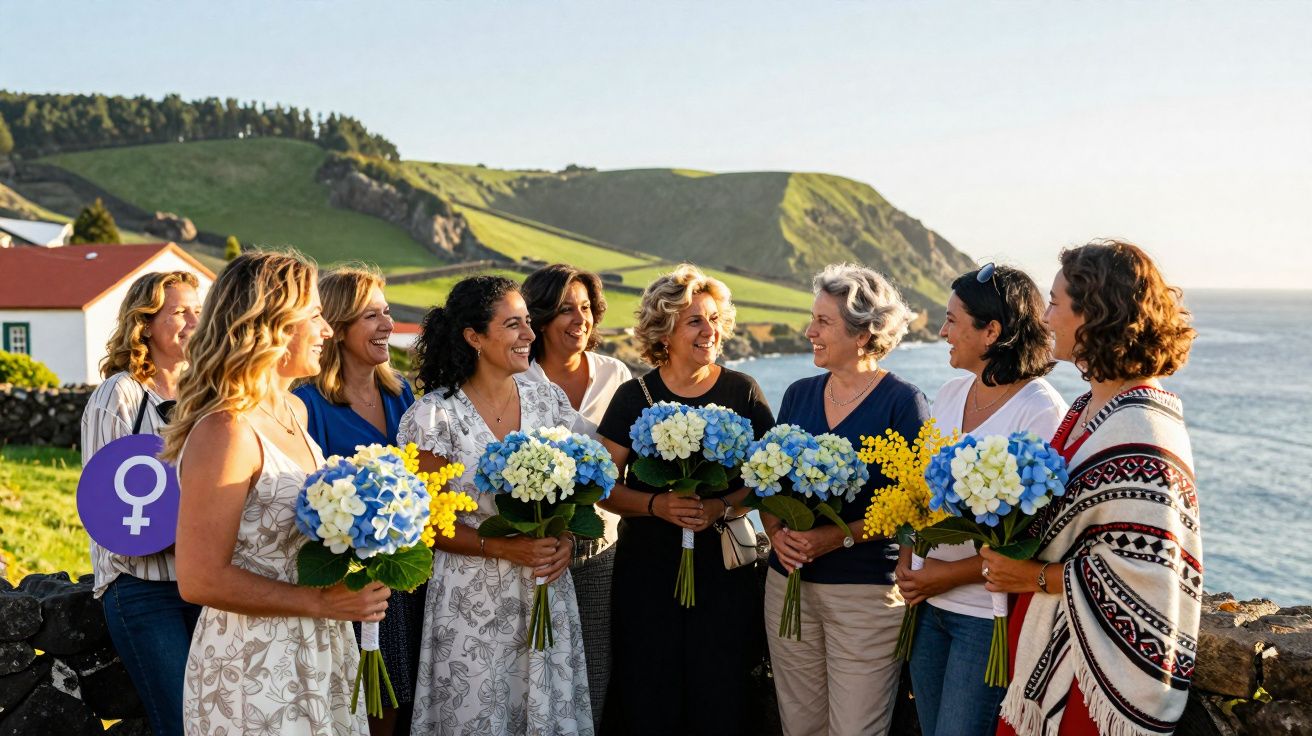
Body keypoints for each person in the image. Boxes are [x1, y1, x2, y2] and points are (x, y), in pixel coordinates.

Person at [163, 251, 388, 736]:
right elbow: (199, 579)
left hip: (321, 644)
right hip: (253, 659)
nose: (327, 331)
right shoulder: (226, 430)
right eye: (315, 317)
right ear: (273, 326)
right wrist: (322, 602)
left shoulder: (296, 412)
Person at [981, 240, 1200, 736]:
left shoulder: (1142, 427)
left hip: (1096, 667)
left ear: (1094, 314)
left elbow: (1149, 574)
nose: (1044, 317)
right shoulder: (1085, 408)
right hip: (1052, 638)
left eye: (1055, 303)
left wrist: (1033, 577)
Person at [399, 275, 593, 736]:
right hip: (471, 602)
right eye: (513, 325)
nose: (530, 334)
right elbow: (428, 524)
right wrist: (506, 549)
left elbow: (582, 480)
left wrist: (564, 538)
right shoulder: (434, 417)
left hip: (546, 588)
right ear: (474, 337)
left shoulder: (547, 399)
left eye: (528, 322)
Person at [595, 264, 774, 736]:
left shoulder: (743, 391)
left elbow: (769, 476)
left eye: (714, 319)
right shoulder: (635, 395)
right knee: (649, 690)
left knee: (721, 690)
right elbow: (602, 484)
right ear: (665, 330)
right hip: (647, 574)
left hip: (722, 572)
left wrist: (723, 505)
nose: (710, 330)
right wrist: (656, 506)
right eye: (695, 320)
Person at [898, 264, 1067, 736]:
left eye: (953, 320)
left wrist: (944, 576)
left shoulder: (1039, 408)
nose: (942, 331)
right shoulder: (951, 394)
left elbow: (1034, 538)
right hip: (929, 609)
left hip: (986, 619)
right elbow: (917, 494)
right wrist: (909, 556)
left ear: (991, 331)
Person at [761, 263, 928, 736]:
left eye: (823, 322)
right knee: (799, 725)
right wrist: (777, 535)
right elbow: (767, 481)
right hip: (787, 585)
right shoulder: (798, 394)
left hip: (865, 595)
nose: (809, 331)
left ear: (862, 333)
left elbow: (912, 505)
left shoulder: (903, 401)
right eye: (812, 319)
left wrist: (836, 538)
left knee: (857, 728)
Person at [292, 265, 418, 736]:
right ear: (339, 327)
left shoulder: (400, 391)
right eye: (372, 316)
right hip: (348, 584)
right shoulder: (308, 401)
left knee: (403, 703)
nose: (387, 325)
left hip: (404, 574)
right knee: (363, 705)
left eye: (386, 313)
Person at [81, 270, 202, 736]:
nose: (193, 321)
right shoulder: (120, 395)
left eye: (197, 310)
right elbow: (105, 507)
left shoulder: (203, 396)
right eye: (179, 312)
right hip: (143, 588)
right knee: (181, 723)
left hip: (202, 584)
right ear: (145, 324)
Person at [520, 264, 632, 725]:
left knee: (599, 669)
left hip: (603, 547)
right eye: (566, 309)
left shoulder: (616, 374)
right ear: (541, 318)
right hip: (537, 550)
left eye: (586, 308)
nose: (580, 319)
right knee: (538, 671)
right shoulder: (517, 379)